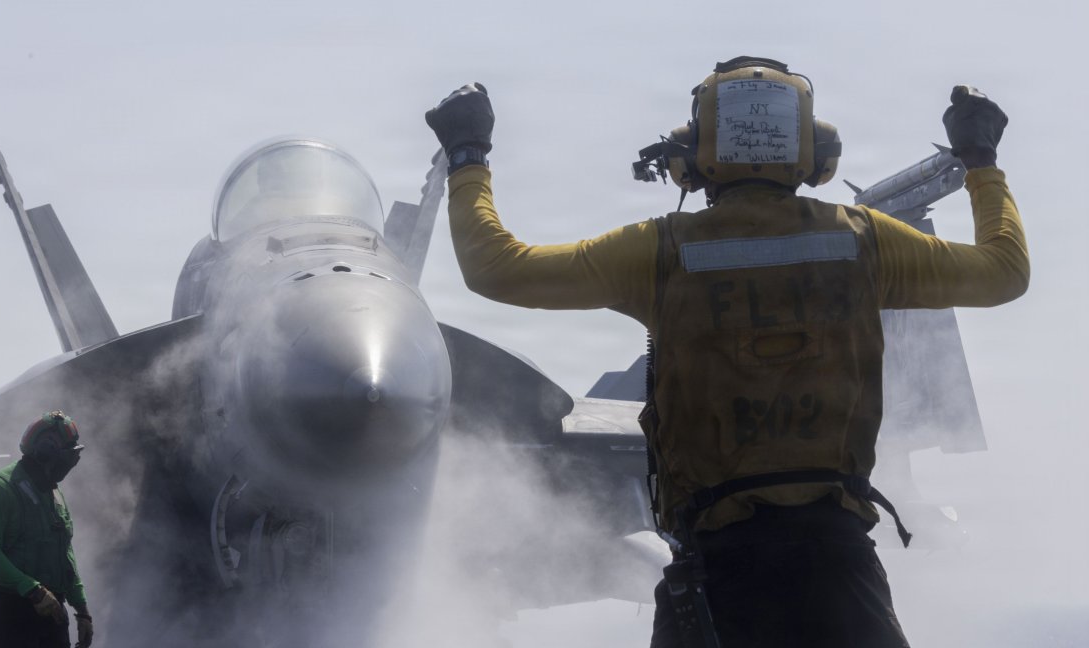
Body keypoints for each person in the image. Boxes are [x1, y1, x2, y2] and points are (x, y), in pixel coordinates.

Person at [425, 56, 1027, 648]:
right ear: (817, 157)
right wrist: (981, 161)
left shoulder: (658, 251)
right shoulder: (866, 240)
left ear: (690, 158)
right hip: (840, 572)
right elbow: (1004, 271)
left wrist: (468, 155)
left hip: (718, 574)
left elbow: (496, 267)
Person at [0, 410, 94, 648]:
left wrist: (82, 610)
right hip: (12, 615)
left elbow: (64, 554)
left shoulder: (53, 493)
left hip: (52, 612)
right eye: (68, 455)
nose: (72, 463)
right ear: (46, 451)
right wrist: (33, 591)